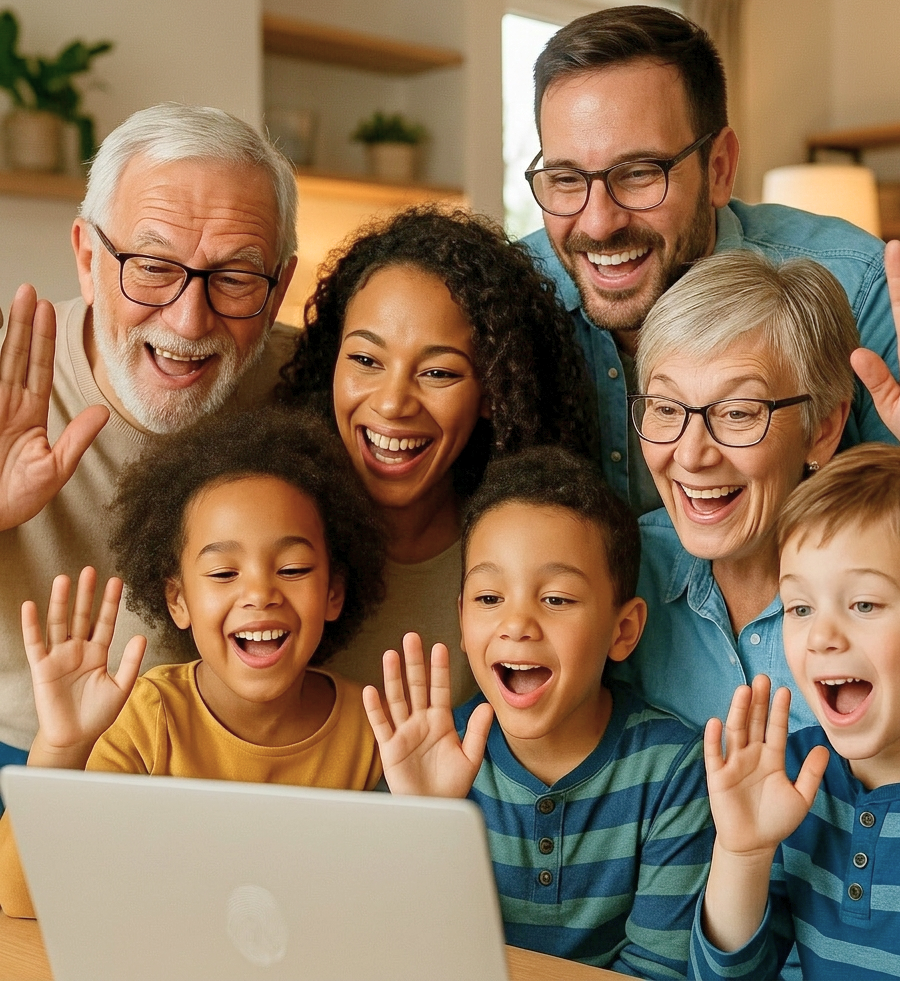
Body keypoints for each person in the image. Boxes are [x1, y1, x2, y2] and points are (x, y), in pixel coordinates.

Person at [520, 5, 900, 576]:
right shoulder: (507, 294)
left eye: (638, 173)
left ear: (720, 167)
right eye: (565, 180)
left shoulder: (856, 287)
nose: (597, 222)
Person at [611, 249, 900, 736]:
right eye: (665, 408)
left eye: (739, 412)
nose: (691, 454)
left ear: (823, 429)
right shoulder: (620, 568)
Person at [0, 103, 301, 766]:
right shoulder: (8, 378)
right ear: (87, 256)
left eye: (235, 277)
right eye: (153, 266)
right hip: (24, 749)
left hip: (227, 756)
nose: (190, 322)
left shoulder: (320, 386)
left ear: (277, 291)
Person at [0, 408, 386, 919]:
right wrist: (62, 747)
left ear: (334, 592)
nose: (260, 594)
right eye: (224, 572)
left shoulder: (374, 728)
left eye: (292, 568)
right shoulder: (145, 719)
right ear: (177, 601)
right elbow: (23, 901)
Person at [363, 447, 713, 978]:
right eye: (488, 598)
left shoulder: (673, 770)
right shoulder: (426, 757)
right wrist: (424, 825)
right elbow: (385, 949)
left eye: (556, 599)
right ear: (461, 620)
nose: (517, 623)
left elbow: (657, 970)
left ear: (623, 631)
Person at [690, 445, 900, 980]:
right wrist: (742, 853)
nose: (821, 637)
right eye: (799, 608)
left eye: (864, 604)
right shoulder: (791, 779)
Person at [278, 208, 594, 705]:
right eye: (365, 360)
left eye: (439, 373)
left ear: (493, 391)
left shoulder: (525, 564)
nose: (391, 403)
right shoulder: (272, 532)